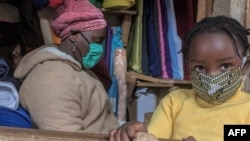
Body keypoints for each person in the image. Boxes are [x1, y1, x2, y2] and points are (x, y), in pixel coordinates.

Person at [109, 15, 250, 141]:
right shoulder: (174, 102)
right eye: (200, 68)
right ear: (188, 66)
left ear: (245, 66)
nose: (212, 76)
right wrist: (137, 133)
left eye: (225, 66)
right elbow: (155, 137)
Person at [13, 0, 119, 134]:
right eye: (96, 41)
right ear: (74, 35)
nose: (99, 49)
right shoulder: (51, 79)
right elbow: (66, 136)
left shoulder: (78, 69)